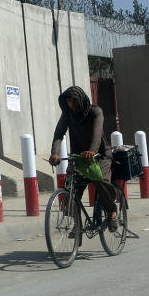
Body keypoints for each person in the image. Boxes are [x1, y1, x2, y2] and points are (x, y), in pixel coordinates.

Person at [48, 85, 118, 231]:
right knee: (70, 188)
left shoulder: (95, 111)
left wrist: (92, 150)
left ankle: (111, 213)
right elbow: (59, 134)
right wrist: (55, 152)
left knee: (101, 182)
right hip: (78, 157)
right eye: (68, 101)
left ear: (81, 99)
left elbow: (97, 133)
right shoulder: (68, 114)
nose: (71, 105)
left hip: (99, 155)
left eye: (74, 101)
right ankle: (77, 222)